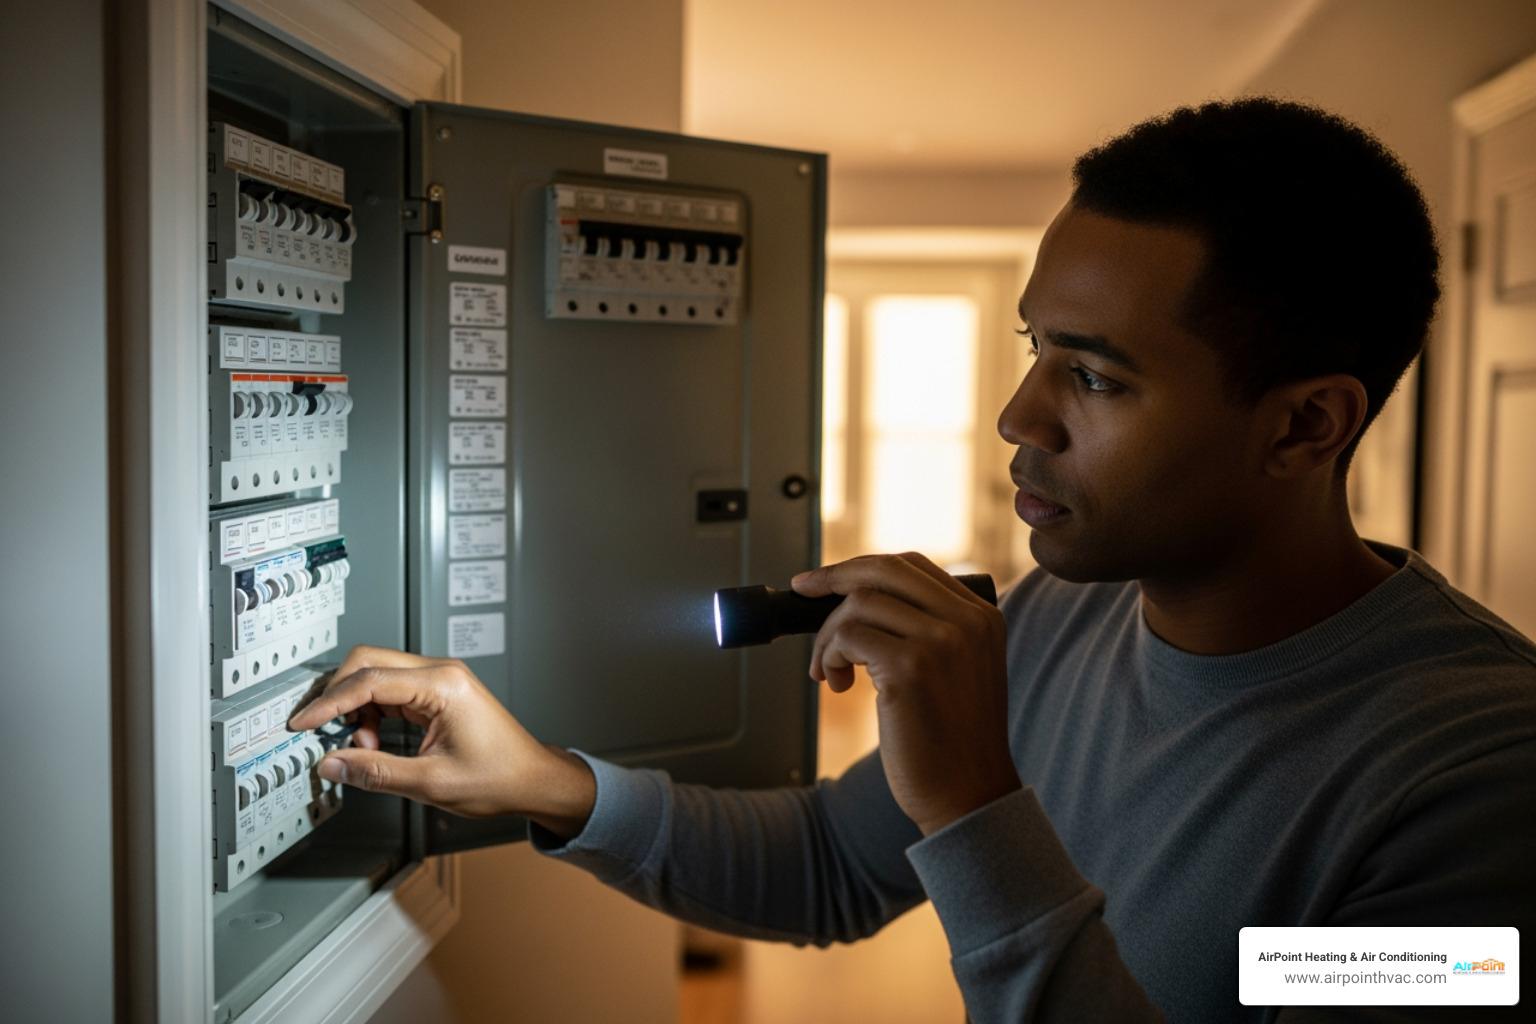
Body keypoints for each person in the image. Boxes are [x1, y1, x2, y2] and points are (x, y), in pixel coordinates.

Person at [289, 98, 1536, 1022]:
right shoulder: (1061, 620)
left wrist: (979, 805)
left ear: (1306, 423)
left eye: (1094, 375)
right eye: (1036, 345)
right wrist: (546, 782)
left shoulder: (1476, 782)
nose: (1019, 416)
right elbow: (836, 865)